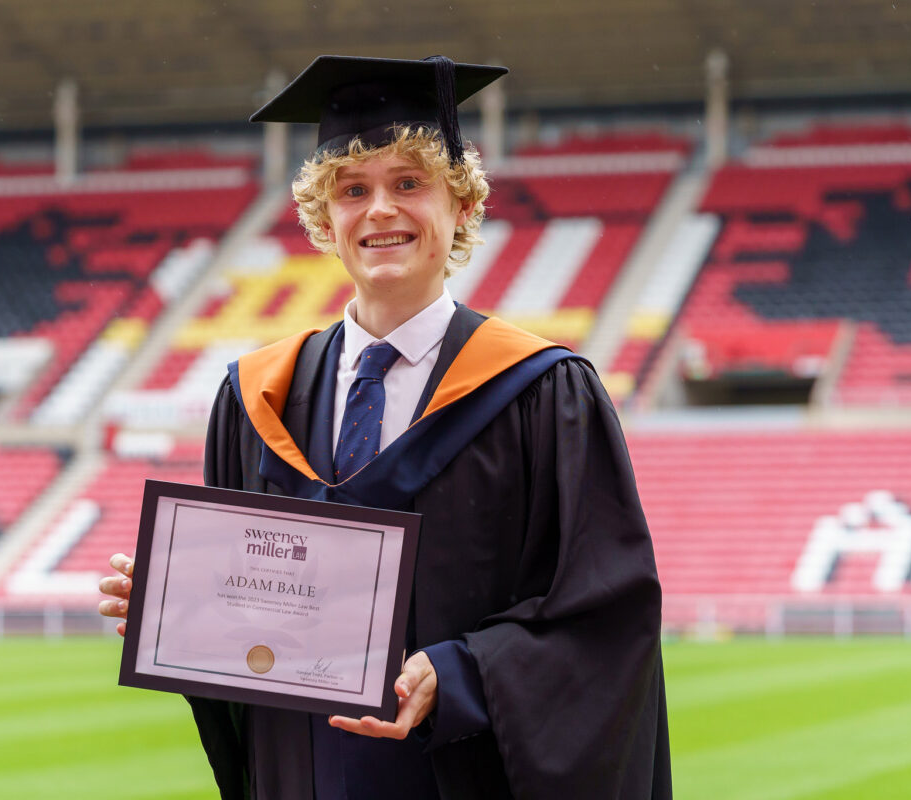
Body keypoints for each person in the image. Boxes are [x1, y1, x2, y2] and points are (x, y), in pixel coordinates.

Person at [100, 55, 671, 800]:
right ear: (323, 220)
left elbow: (606, 618)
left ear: (461, 205)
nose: (379, 211)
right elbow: (253, 616)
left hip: (461, 772)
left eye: (409, 184)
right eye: (353, 190)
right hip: (301, 772)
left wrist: (463, 672)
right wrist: (178, 607)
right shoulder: (255, 397)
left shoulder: (542, 393)